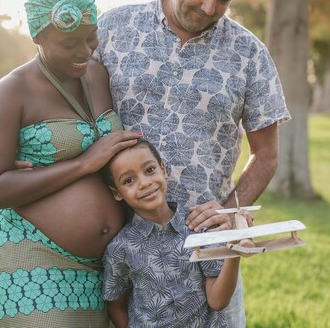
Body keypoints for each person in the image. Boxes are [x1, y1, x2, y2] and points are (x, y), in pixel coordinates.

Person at [93, 0, 290, 326]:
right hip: (118, 239)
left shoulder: (249, 54)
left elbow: (266, 155)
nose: (209, 8)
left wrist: (228, 213)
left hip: (206, 253)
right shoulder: (113, 29)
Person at [0, 0, 141, 327]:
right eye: (69, 44)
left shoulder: (97, 75)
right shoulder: (12, 91)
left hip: (106, 268)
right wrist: (83, 163)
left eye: (90, 39)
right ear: (37, 35)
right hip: (33, 259)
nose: (84, 53)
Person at [100, 140, 241, 328]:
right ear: (117, 193)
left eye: (149, 170)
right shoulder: (120, 247)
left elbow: (217, 301)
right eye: (128, 180)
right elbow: (115, 305)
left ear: (163, 170)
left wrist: (234, 250)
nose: (144, 183)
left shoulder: (199, 227)